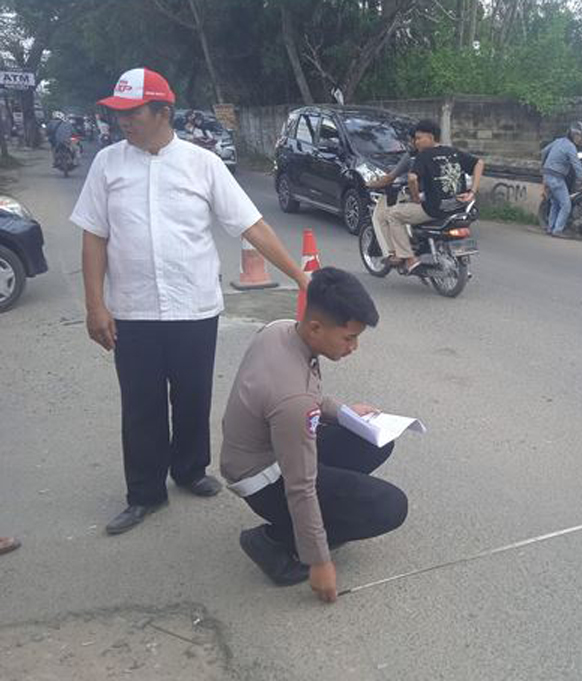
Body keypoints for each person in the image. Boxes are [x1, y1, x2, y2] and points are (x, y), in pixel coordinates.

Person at [70, 68, 309, 536]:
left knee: (192, 395)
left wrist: (300, 276)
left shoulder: (203, 164)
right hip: (133, 310)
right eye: (117, 112)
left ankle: (190, 470)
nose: (122, 121)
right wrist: (95, 306)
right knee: (140, 404)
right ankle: (144, 493)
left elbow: (251, 225)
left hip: (193, 307)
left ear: (163, 112)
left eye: (131, 112)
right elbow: (94, 237)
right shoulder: (107, 165)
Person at [220, 267, 408, 603]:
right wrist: (318, 561)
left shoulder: (280, 331)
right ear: (316, 327)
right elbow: (300, 485)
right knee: (390, 506)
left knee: (372, 437)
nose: (354, 347)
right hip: (264, 480)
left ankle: (326, 515)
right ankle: (275, 542)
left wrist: (344, 412)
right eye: (349, 337)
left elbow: (307, 396)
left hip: (271, 449)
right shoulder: (293, 402)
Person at [380, 119, 483, 274]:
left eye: (419, 138)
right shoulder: (452, 152)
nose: (416, 142)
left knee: (393, 214)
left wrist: (415, 197)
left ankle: (409, 259)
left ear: (430, 137)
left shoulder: (424, 155)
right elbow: (479, 163)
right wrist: (472, 191)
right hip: (457, 208)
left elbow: (412, 178)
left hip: (434, 210)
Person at [366, 131, 416, 266]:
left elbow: (391, 178)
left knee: (384, 216)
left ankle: (396, 253)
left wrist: (371, 184)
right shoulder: (442, 153)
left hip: (414, 198)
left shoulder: (411, 156)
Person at [541, 121, 582, 237]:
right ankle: (558, 230)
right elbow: (576, 164)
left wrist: (543, 166)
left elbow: (544, 152)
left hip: (548, 174)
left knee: (556, 203)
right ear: (573, 135)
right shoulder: (571, 147)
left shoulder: (558, 141)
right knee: (566, 205)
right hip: (556, 177)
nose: (580, 138)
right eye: (578, 135)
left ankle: (550, 228)